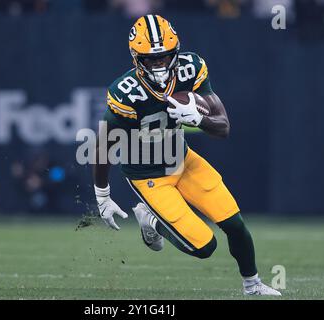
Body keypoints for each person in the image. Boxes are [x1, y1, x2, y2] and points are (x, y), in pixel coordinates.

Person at [92, 15, 281, 296]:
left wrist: (198, 118)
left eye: (164, 57)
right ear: (136, 58)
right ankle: (150, 220)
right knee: (205, 247)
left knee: (235, 225)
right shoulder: (126, 92)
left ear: (176, 51)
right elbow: (104, 143)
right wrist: (102, 194)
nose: (158, 65)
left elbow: (223, 127)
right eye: (150, 59)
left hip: (183, 161)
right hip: (148, 177)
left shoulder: (190, 68)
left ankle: (252, 285)